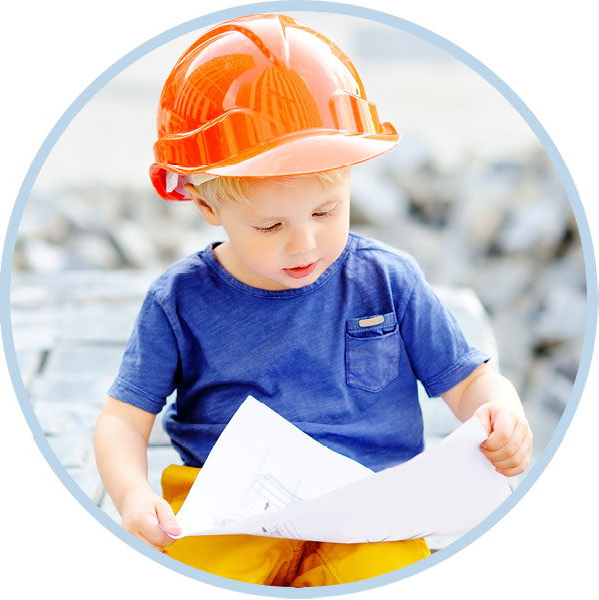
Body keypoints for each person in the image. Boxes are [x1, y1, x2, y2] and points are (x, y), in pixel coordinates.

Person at [94, 13, 532, 587]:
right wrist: (130, 494)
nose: (304, 244)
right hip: (227, 509)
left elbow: (469, 381)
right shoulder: (178, 301)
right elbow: (122, 421)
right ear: (207, 206)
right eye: (270, 225)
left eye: (326, 212)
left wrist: (501, 409)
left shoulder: (388, 280)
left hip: (370, 508)